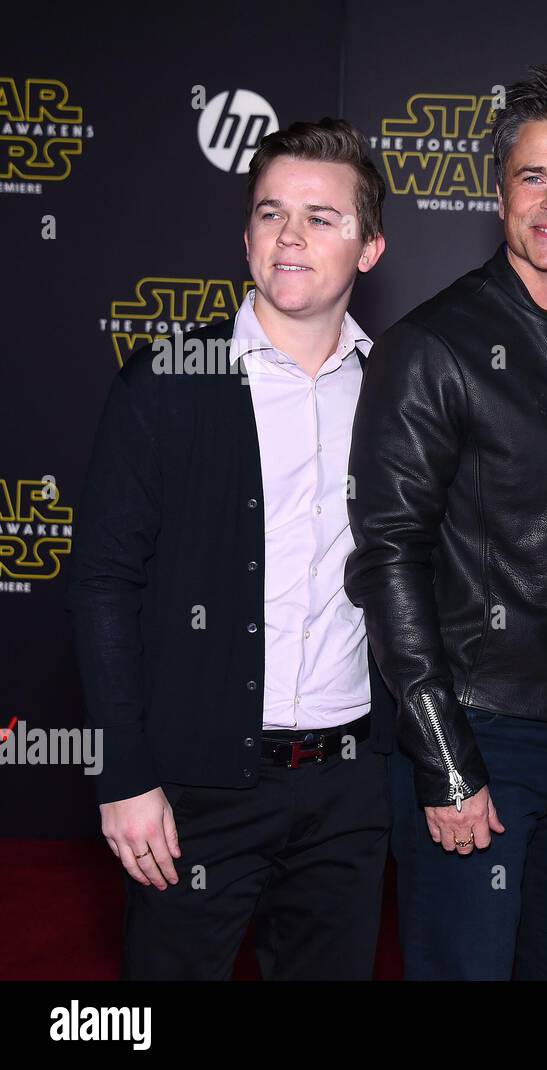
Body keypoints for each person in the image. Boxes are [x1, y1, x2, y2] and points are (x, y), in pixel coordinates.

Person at [345, 65, 547, 981]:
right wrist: (446, 757)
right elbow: (388, 560)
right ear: (500, 196)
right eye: (533, 177)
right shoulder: (434, 346)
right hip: (482, 745)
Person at [68, 118, 393, 980]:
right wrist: (123, 776)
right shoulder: (166, 381)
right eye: (270, 212)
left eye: (322, 218)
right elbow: (102, 584)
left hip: (350, 789)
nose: (290, 236)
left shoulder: (402, 393)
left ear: (370, 248)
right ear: (245, 234)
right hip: (192, 790)